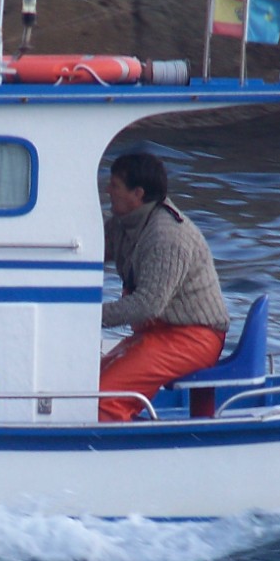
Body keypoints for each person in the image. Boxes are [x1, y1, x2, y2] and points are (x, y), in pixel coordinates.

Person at [97, 151, 230, 421]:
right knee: (83, 387)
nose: (107, 190)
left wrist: (86, 316)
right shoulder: (124, 224)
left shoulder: (166, 237)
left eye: (114, 185)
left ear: (137, 194)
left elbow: (147, 305)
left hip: (192, 336)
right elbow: (89, 252)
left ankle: (113, 451)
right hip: (159, 332)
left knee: (101, 398)